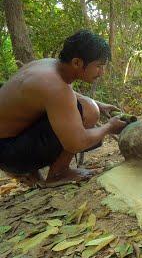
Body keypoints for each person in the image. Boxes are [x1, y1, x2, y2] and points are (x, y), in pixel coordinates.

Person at [0, 30, 127, 186]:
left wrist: (99, 104)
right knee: (90, 111)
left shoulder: (48, 65)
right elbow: (76, 143)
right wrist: (109, 127)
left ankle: (33, 173)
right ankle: (58, 173)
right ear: (76, 63)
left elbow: (59, 95)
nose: (102, 72)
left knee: (90, 105)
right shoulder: (56, 87)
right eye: (99, 66)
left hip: (8, 143)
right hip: (10, 154)